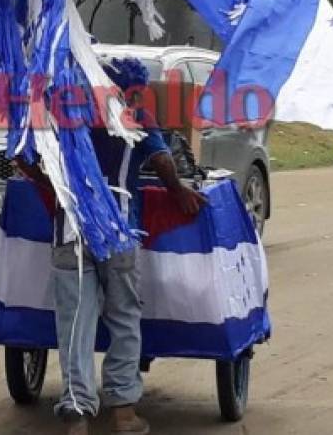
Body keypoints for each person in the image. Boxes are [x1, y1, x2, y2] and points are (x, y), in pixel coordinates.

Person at [17, 58, 207, 435]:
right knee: (123, 318)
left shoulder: (66, 108)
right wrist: (179, 191)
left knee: (74, 322)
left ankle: (77, 412)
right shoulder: (136, 110)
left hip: (70, 229)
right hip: (119, 229)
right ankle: (123, 412)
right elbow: (161, 158)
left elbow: (23, 156)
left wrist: (57, 188)